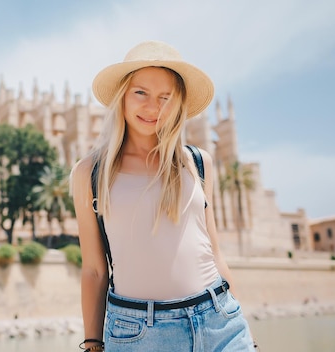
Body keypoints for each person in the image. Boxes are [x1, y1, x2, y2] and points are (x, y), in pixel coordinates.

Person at [71, 41, 256, 351]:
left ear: (178, 104)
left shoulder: (197, 162)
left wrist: (244, 331)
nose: (153, 107)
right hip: (139, 334)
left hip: (220, 321)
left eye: (165, 97)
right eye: (140, 93)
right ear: (123, 97)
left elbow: (214, 254)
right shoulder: (91, 172)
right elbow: (93, 269)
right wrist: (92, 343)